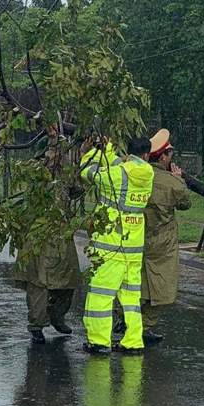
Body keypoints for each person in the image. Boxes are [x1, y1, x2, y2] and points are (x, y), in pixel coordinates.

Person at [80, 134, 154, 355]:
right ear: (147, 155)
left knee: (101, 294)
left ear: (128, 154)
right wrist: (109, 150)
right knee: (131, 297)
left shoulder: (116, 175)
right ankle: (133, 341)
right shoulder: (147, 174)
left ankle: (99, 341)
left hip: (110, 245)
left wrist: (95, 151)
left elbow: (87, 171)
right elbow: (121, 167)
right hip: (133, 246)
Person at [13, 132, 81, 343]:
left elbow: (76, 189)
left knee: (69, 279)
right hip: (39, 233)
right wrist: (55, 142)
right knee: (39, 282)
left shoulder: (63, 176)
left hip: (61, 233)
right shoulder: (37, 175)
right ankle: (36, 324)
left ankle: (57, 316)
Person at [139, 128, 191, 343]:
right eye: (170, 154)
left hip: (137, 236)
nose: (172, 158)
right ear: (162, 157)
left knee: (136, 282)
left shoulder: (138, 175)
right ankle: (146, 325)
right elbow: (186, 203)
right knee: (162, 283)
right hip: (163, 241)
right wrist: (178, 179)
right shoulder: (172, 182)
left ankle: (123, 318)